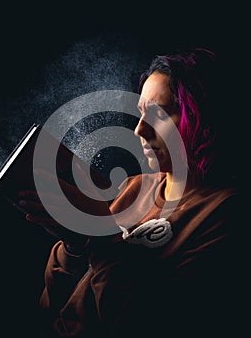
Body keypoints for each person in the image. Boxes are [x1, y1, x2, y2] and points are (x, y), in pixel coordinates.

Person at [18, 48, 243, 337]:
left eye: (159, 114)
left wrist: (101, 239)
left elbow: (146, 323)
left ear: (202, 116)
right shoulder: (133, 188)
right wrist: (75, 245)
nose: (139, 130)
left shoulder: (228, 215)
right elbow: (53, 307)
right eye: (140, 114)